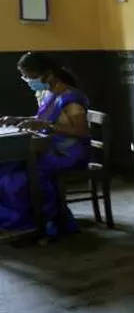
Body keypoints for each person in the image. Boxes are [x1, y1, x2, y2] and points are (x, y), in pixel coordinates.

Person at [0, 52, 92, 237]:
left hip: (70, 153)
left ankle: (47, 220)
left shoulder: (71, 98)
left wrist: (47, 126)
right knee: (7, 168)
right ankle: (21, 220)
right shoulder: (48, 94)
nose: (27, 80)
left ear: (48, 74)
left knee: (25, 175)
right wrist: (18, 119)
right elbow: (42, 119)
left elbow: (81, 131)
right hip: (50, 148)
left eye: (30, 76)